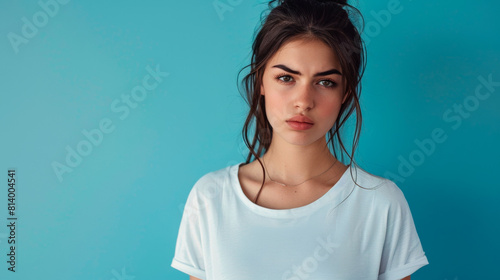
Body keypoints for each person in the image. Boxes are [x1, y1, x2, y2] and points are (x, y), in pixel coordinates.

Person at [171, 0, 429, 279]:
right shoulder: (211, 197)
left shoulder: (380, 203)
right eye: (286, 78)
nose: (303, 102)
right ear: (260, 82)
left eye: (325, 82)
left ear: (345, 93)